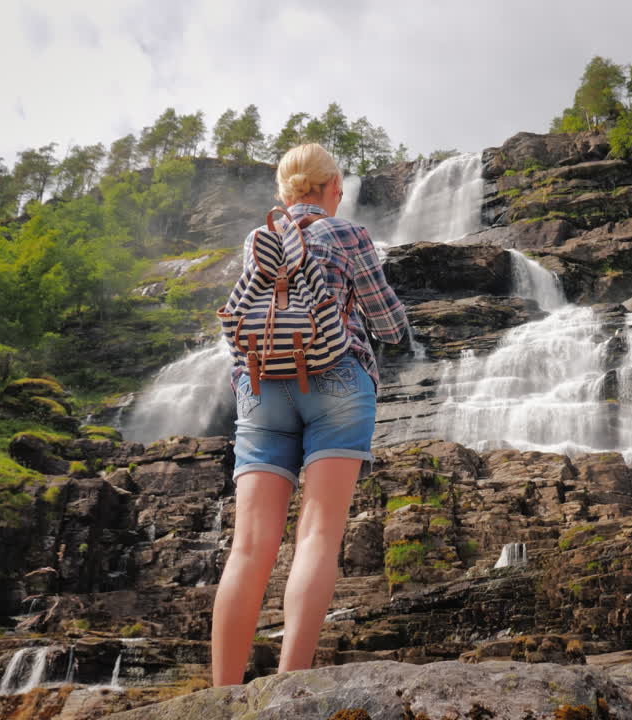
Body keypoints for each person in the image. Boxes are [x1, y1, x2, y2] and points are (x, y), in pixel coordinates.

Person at [211, 143, 408, 686]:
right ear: (331, 188)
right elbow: (388, 321)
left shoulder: (260, 238)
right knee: (317, 536)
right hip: (336, 381)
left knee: (249, 545)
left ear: (285, 191)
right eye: (339, 189)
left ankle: (224, 695)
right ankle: (288, 687)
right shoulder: (348, 234)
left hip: (260, 385)